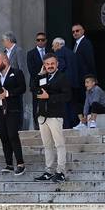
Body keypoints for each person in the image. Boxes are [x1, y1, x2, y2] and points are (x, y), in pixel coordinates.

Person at [34, 54, 71, 183]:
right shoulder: (43, 77)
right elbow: (32, 88)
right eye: (47, 64)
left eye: (52, 63)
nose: (50, 66)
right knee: (47, 145)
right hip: (42, 116)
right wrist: (40, 74)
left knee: (59, 144)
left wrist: (49, 97)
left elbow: (67, 96)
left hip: (55, 116)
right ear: (44, 65)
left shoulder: (62, 77)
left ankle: (61, 171)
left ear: (57, 64)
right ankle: (48, 171)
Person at [0, 52, 26, 175]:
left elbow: (22, 88)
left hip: (12, 110)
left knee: (12, 135)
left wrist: (8, 93)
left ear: (5, 60)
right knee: (4, 137)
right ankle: (9, 164)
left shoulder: (17, 72)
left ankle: (20, 163)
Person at [71, 24, 96, 127]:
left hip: (85, 77)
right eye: (73, 32)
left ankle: (88, 121)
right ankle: (82, 121)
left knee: (87, 100)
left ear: (83, 31)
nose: (75, 33)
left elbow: (90, 61)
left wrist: (91, 77)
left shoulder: (86, 43)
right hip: (79, 78)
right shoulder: (76, 44)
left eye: (77, 31)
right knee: (80, 100)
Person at [51, 38, 79, 129]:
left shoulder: (59, 52)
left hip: (64, 84)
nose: (52, 48)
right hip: (74, 83)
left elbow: (61, 66)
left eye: (53, 45)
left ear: (58, 44)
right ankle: (73, 124)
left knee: (65, 105)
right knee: (72, 105)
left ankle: (66, 126)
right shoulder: (71, 53)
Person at [26, 33, 51, 128]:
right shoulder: (31, 53)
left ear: (46, 41)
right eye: (38, 40)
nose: (40, 41)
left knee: (49, 102)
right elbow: (31, 70)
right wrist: (41, 76)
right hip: (36, 83)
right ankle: (37, 125)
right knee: (36, 104)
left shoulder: (50, 52)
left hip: (49, 83)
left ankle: (48, 123)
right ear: (35, 41)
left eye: (42, 39)